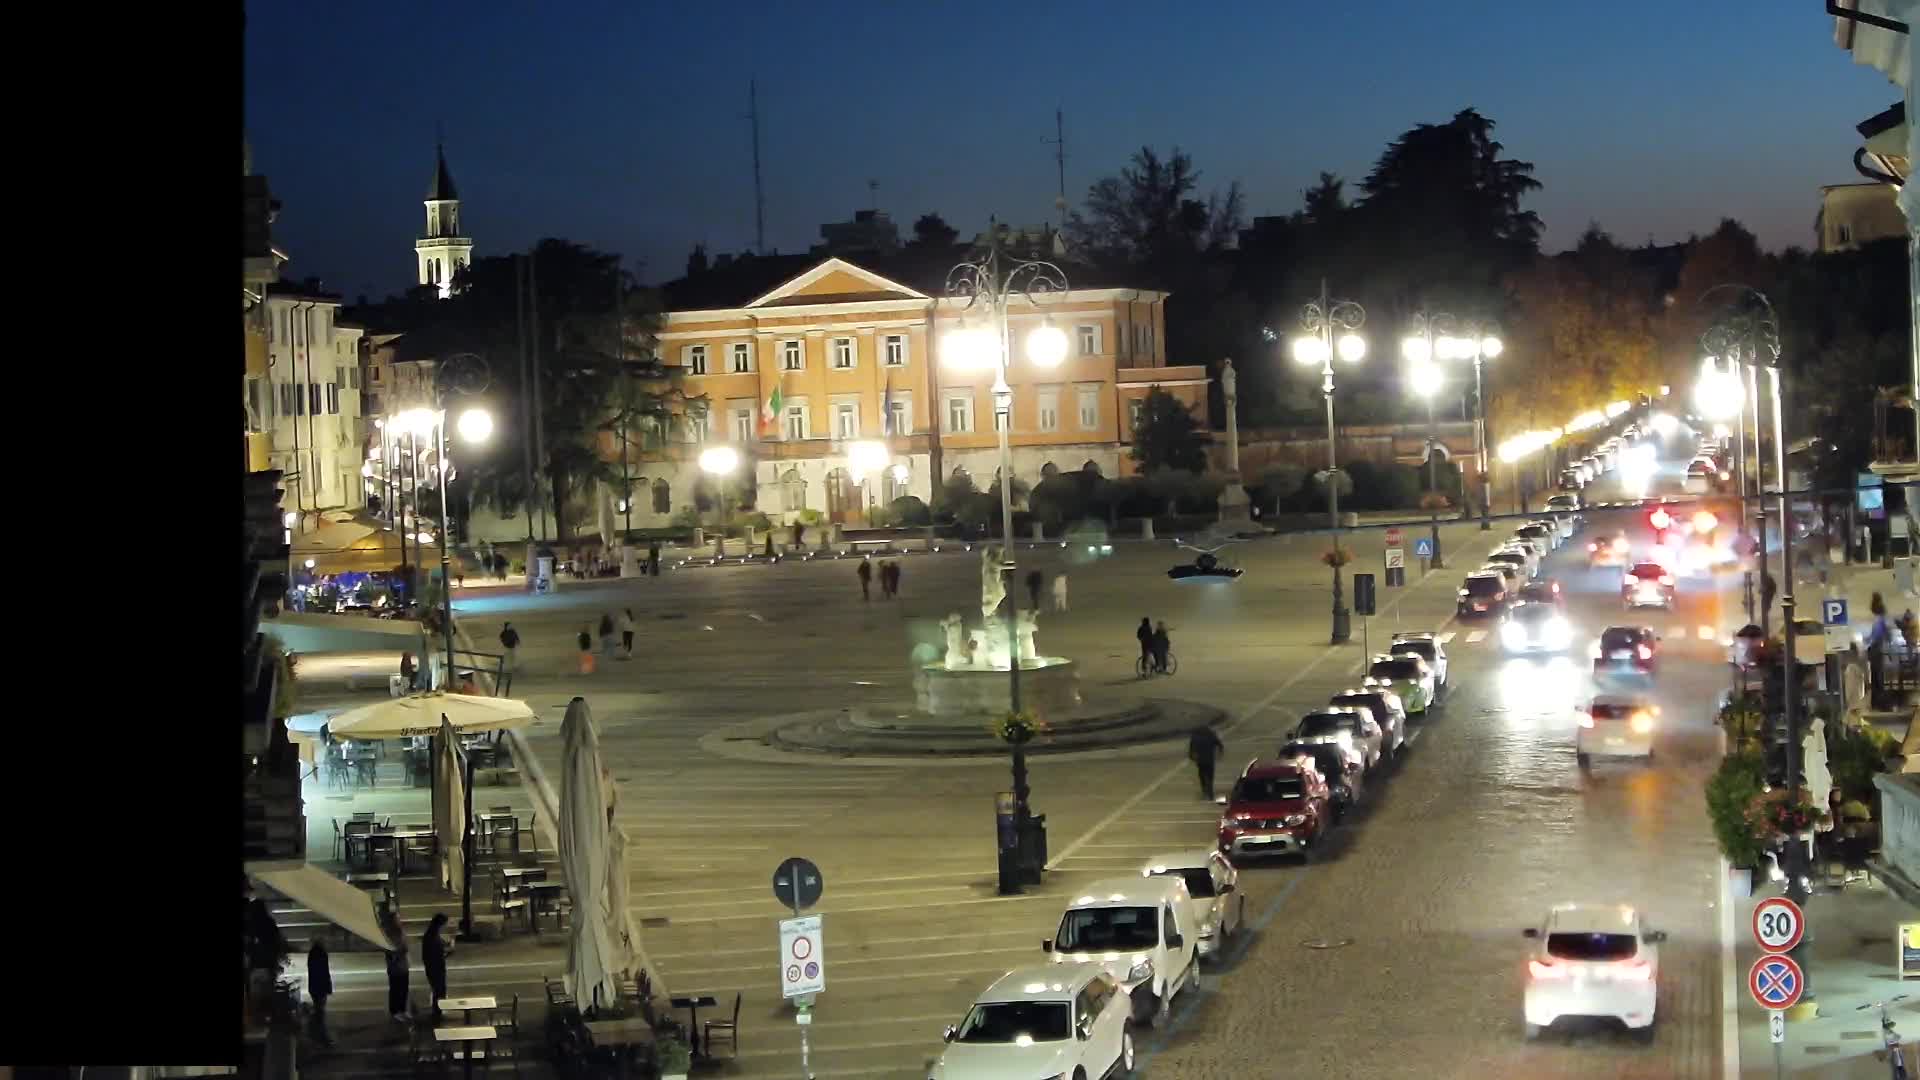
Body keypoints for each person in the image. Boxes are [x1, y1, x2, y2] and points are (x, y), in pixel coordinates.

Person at [422, 912, 452, 1022]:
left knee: (439, 990)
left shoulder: (432, 935)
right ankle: (437, 1012)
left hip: (435, 966)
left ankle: (438, 1011)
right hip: (435, 968)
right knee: (438, 990)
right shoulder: (431, 937)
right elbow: (432, 954)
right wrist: (444, 952)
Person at [383, 911, 410, 1024]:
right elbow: (390, 951)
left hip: (403, 966)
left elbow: (405, 947)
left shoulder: (401, 932)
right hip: (395, 967)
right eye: (397, 919)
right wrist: (398, 952)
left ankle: (402, 1009)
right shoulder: (389, 934)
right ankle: (395, 1011)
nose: (400, 921)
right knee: (396, 989)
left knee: (404, 989)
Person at [1188, 724, 1226, 800]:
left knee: (1202, 776)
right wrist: (1220, 753)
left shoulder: (1195, 737)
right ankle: (1210, 792)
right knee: (1210, 776)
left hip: (1200, 761)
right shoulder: (1211, 736)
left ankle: (1204, 790)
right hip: (1209, 760)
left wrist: (1192, 757)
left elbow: (1191, 749)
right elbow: (1220, 745)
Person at [308, 939, 334, 1046]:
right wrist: (328, 988)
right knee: (320, 1012)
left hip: (314, 988)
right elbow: (325, 973)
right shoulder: (322, 954)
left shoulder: (312, 954)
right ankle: (321, 1036)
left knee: (318, 1011)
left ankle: (317, 1035)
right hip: (320, 988)